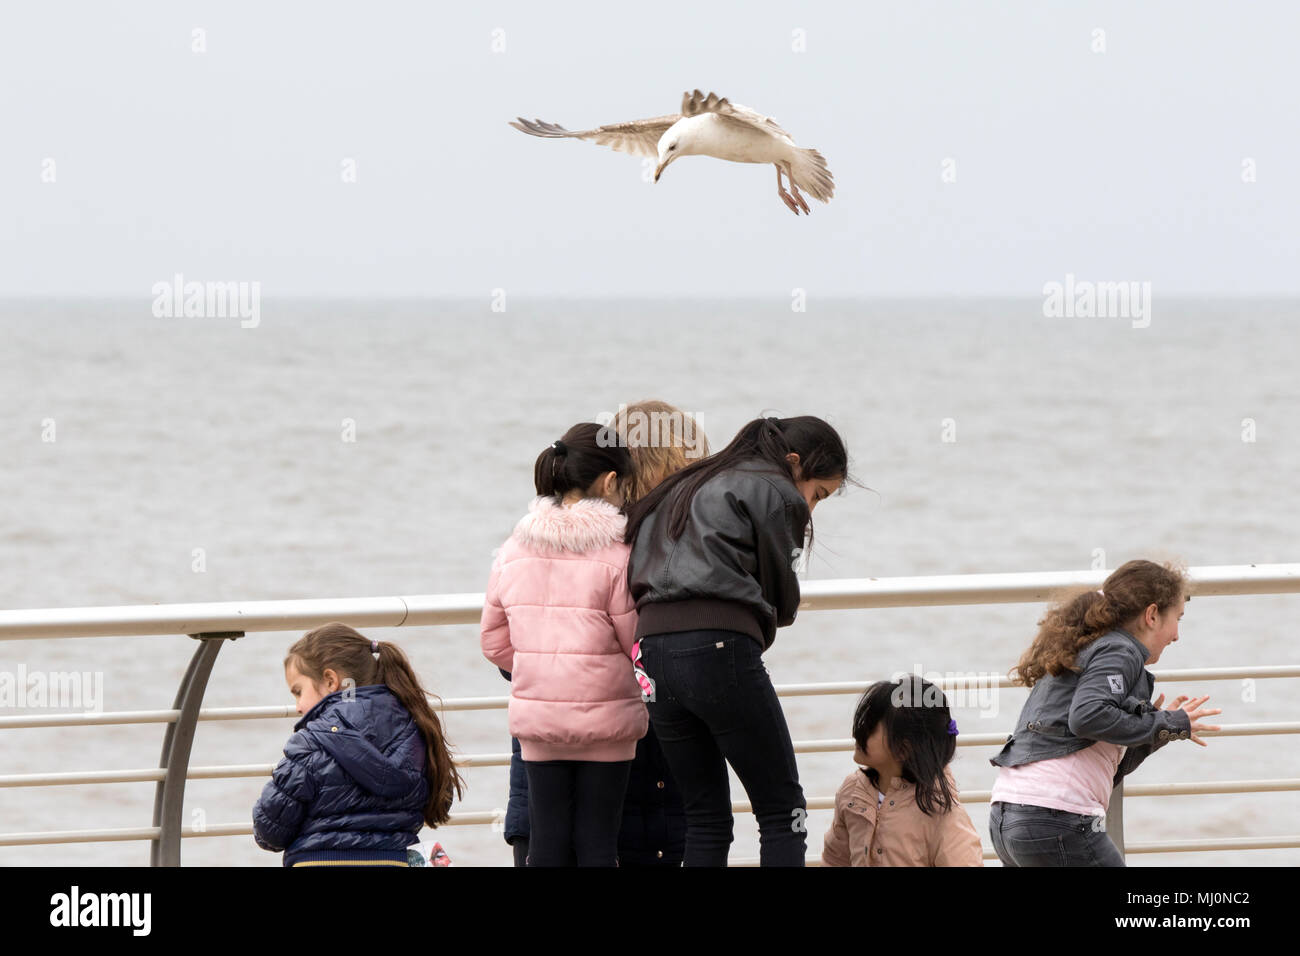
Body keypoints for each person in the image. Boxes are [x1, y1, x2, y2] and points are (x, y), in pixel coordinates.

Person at [625, 414, 849, 866]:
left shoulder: (686, 482)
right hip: (718, 650)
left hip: (651, 653)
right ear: (794, 462)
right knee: (783, 812)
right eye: (818, 494)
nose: (811, 508)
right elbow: (781, 594)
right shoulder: (775, 489)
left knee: (705, 817)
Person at [480, 422, 647, 866]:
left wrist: (541, 668)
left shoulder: (513, 549)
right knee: (598, 844)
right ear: (611, 482)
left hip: (540, 723)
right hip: (608, 721)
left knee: (547, 845)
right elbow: (636, 642)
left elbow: (493, 642)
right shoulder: (619, 554)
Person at [988, 559, 1222, 867]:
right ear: (1152, 615)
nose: (1177, 635)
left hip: (1009, 817)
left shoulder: (1084, 649)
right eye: (1177, 617)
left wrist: (1161, 729)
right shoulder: (1119, 650)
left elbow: (1104, 758)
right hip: (1056, 818)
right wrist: (1167, 721)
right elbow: (1087, 717)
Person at [252, 622, 465, 867]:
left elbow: (269, 832)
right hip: (394, 861)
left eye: (298, 691)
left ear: (331, 681)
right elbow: (441, 801)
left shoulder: (310, 743)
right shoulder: (418, 729)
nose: (298, 706)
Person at [821, 678, 983, 866]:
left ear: (903, 750)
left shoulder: (941, 810)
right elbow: (834, 859)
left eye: (870, 727)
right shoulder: (852, 791)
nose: (858, 732)